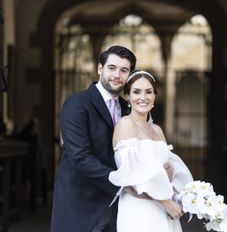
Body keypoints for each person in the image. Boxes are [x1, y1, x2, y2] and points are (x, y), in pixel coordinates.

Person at [50, 45, 137, 232]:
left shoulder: (128, 109)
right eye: (111, 68)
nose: (117, 75)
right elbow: (80, 156)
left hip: (117, 207)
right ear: (100, 69)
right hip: (81, 203)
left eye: (124, 70)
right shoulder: (76, 104)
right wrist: (122, 184)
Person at [109, 70, 193, 232]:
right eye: (136, 92)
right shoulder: (126, 124)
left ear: (154, 96)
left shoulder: (157, 130)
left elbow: (170, 169)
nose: (143, 97)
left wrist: (177, 194)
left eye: (148, 92)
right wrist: (167, 203)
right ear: (127, 96)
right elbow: (131, 177)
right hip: (140, 210)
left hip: (165, 211)